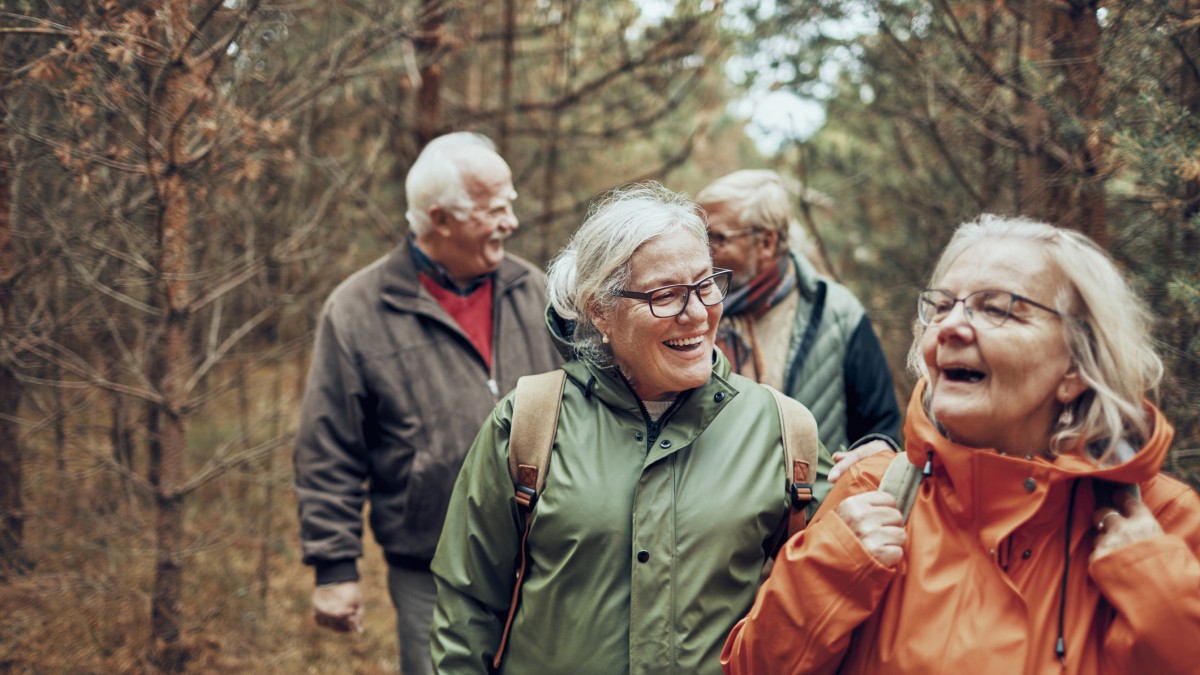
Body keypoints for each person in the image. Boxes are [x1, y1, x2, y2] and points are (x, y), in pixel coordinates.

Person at [430, 183, 887, 673]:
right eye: (665, 295)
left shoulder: (783, 428)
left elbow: (829, 586)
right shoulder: (529, 421)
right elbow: (467, 609)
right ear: (599, 310)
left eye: (705, 284)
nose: (695, 313)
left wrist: (876, 470)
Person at [721, 214, 1200, 674]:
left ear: (1076, 365)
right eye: (942, 306)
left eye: (996, 308)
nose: (949, 327)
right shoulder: (871, 492)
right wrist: (828, 572)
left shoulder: (1166, 523)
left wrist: (1158, 591)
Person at [293, 132, 563, 675]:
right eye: (494, 210)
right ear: (440, 219)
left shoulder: (537, 291)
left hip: (551, 554)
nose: (511, 222)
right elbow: (329, 446)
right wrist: (333, 567)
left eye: (510, 203)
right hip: (431, 563)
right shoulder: (357, 310)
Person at [697, 170, 900, 497]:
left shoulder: (837, 313)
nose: (701, 250)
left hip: (810, 522)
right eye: (698, 235)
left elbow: (881, 432)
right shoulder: (690, 308)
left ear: (767, 242)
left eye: (716, 238)